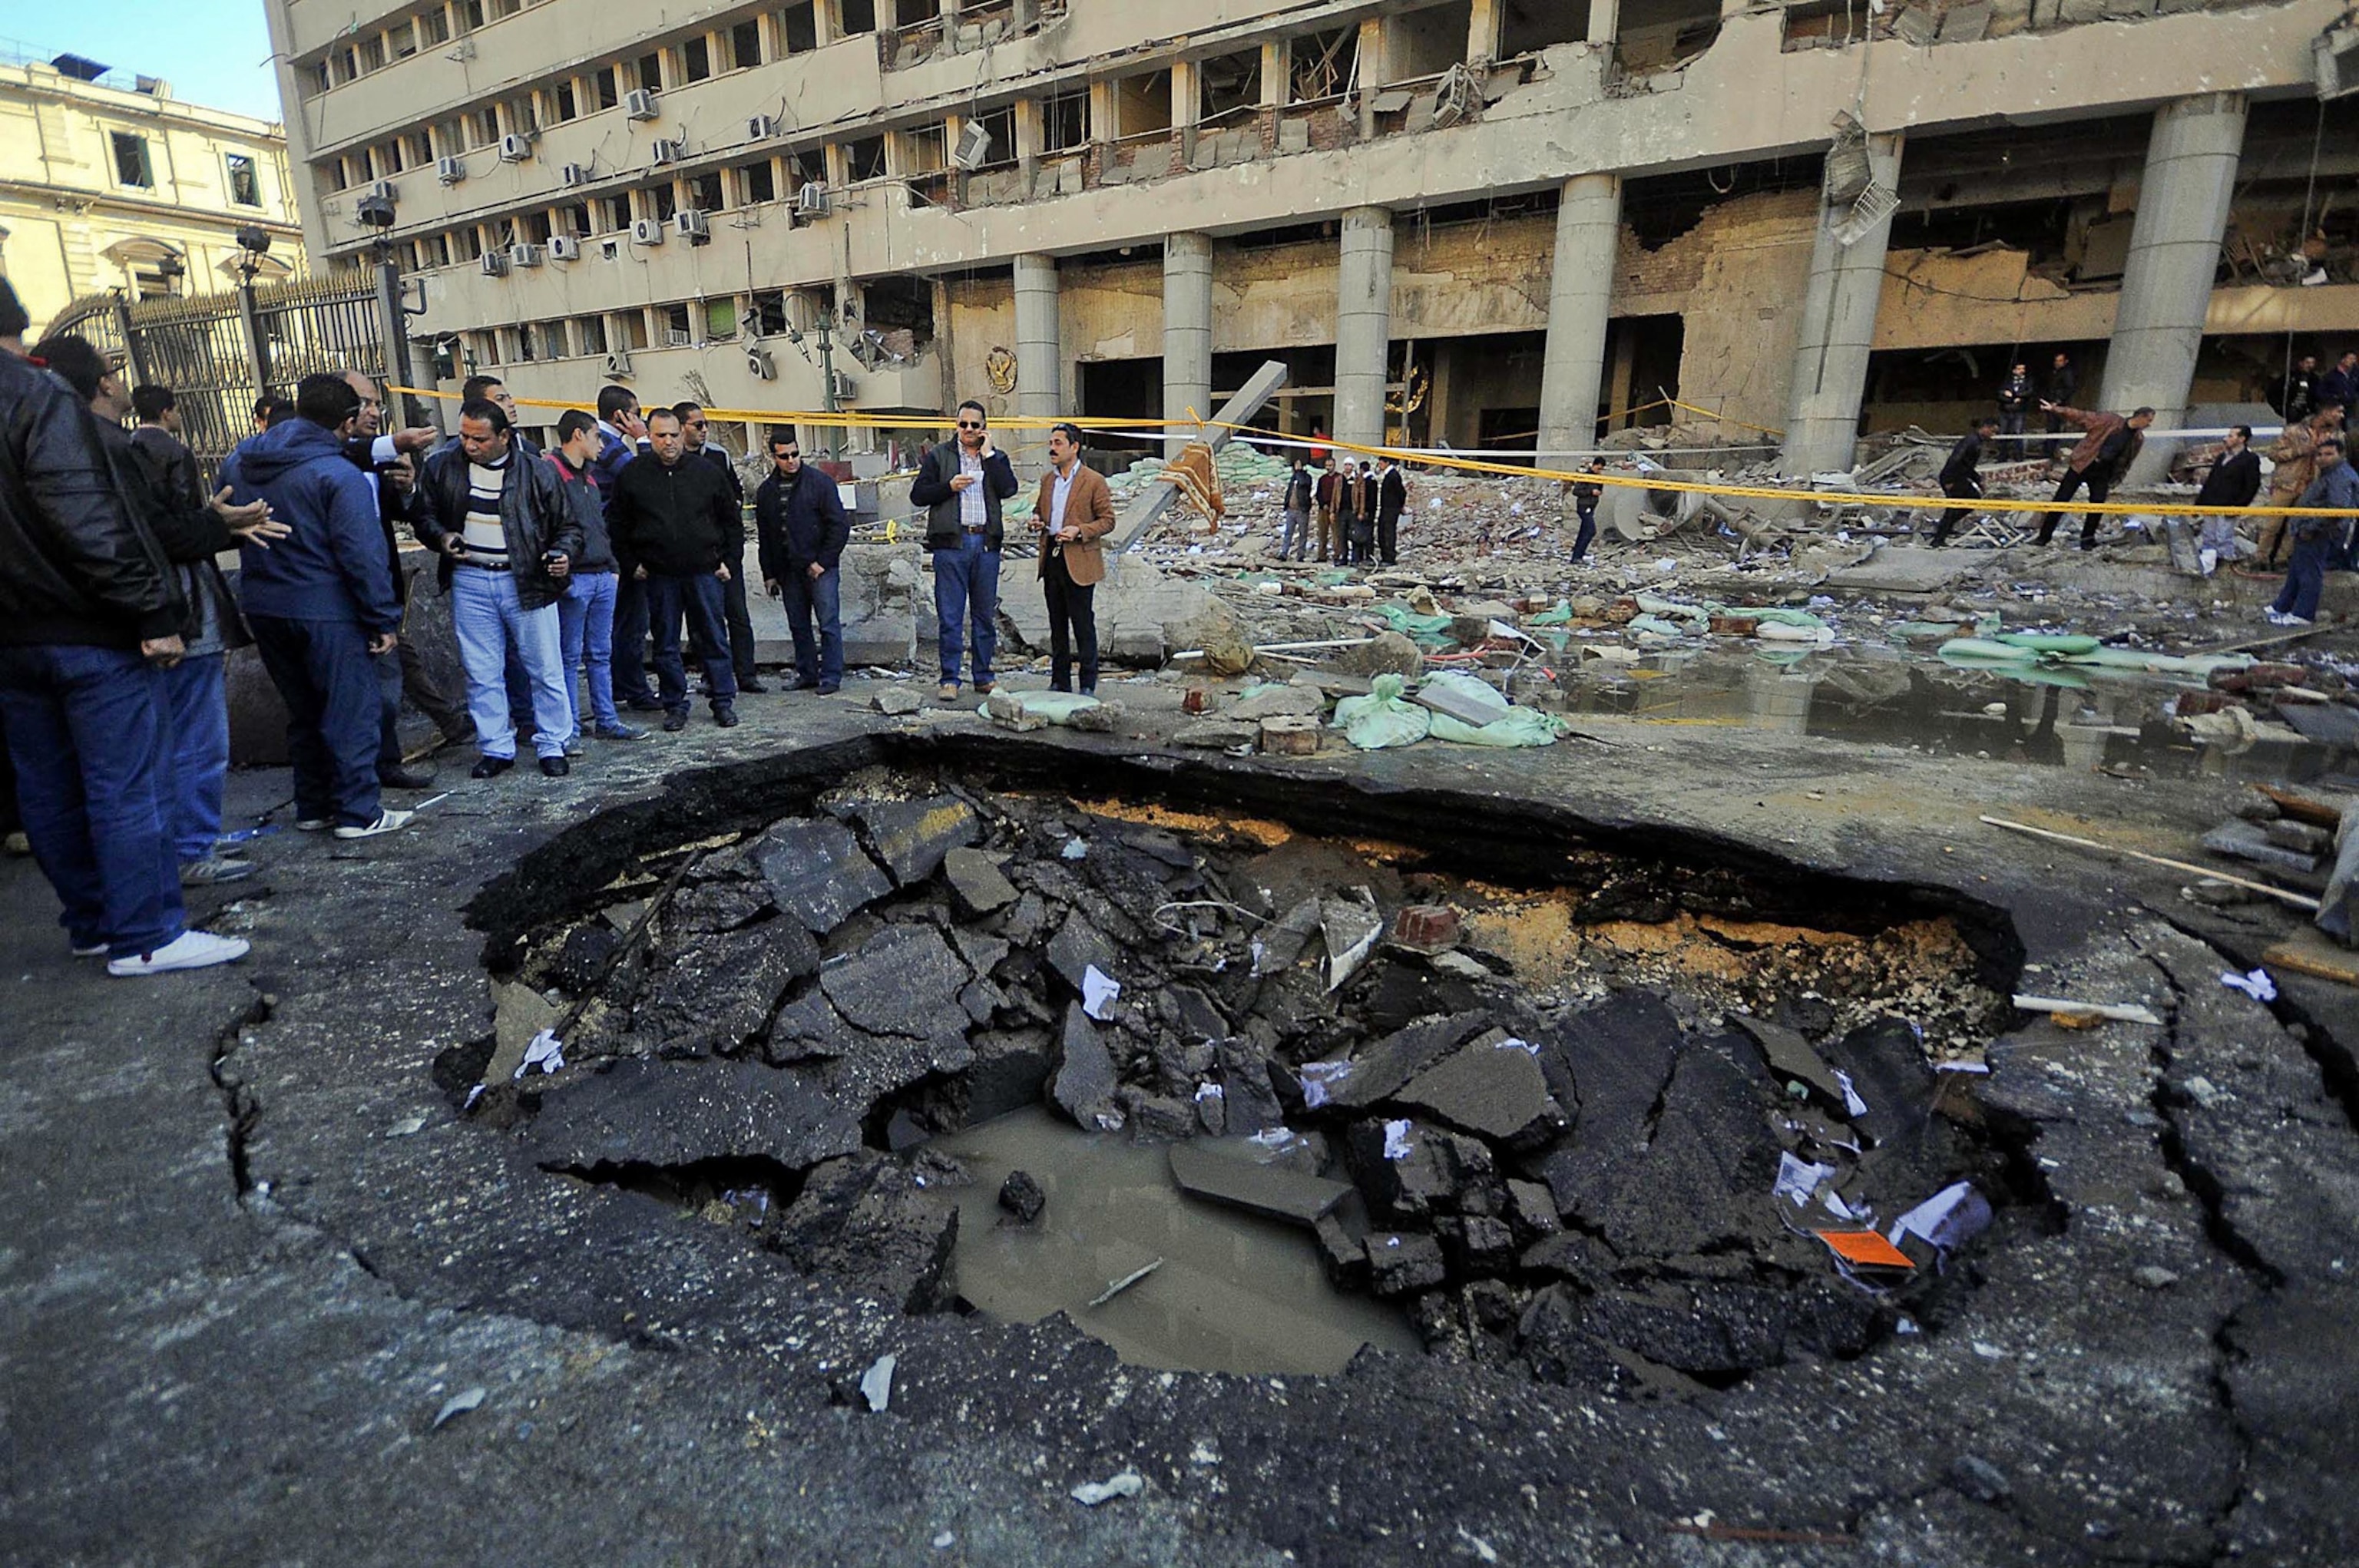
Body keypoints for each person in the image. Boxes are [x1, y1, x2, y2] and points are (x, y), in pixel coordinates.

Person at [0, 319, 251, 973]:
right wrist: (151, 613)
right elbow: (88, 516)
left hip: (12, 638)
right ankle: (146, 935)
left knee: (49, 789)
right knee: (127, 786)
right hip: (88, 631)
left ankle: (93, 924)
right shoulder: (39, 396)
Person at [39, 337, 283, 886]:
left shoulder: (73, 442)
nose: (122, 380)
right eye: (113, 373)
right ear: (103, 384)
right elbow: (152, 533)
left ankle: (178, 848)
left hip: (124, 617)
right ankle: (187, 852)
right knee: (194, 742)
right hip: (171, 612)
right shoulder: (109, 445)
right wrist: (219, 525)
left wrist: (211, 519)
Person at [217, 373, 411, 842]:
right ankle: (358, 811)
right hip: (326, 608)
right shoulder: (337, 474)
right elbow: (362, 554)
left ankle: (314, 805)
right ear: (346, 422)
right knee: (350, 711)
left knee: (303, 710)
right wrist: (382, 618)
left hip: (264, 603)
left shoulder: (242, 460)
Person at [412, 398, 582, 778]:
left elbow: (568, 527)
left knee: (545, 667)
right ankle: (495, 747)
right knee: (482, 669)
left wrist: (563, 553)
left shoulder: (537, 472)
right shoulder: (442, 466)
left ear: (504, 436)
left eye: (479, 439)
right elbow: (424, 515)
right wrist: (441, 537)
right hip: (470, 577)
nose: (469, 446)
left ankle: (553, 743)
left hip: (527, 578)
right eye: (464, 436)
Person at [338, 370, 468, 789]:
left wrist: (408, 489)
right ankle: (359, 781)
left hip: (380, 592)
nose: (375, 412)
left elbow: (401, 513)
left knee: (394, 671)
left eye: (378, 403)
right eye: (366, 403)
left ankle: (390, 762)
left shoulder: (376, 460)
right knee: (373, 687)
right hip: (341, 598)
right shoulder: (326, 457)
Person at [605, 407, 740, 730]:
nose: (669, 442)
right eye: (661, 435)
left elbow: (731, 522)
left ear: (683, 435)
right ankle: (674, 706)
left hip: (704, 571)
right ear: (648, 436)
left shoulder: (706, 472)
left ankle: (723, 701)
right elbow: (618, 525)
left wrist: (728, 562)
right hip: (659, 574)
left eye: (674, 435)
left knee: (713, 637)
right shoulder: (633, 475)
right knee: (665, 643)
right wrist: (631, 563)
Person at [909, 399, 1018, 703]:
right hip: (951, 545)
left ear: (984, 428)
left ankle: (983, 676)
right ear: (955, 426)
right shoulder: (939, 456)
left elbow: (1009, 489)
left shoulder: (995, 457)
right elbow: (918, 495)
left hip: (985, 544)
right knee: (951, 616)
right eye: (963, 424)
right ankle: (950, 678)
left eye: (975, 425)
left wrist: (990, 455)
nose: (969, 429)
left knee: (984, 615)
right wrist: (949, 487)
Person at [547, 409, 645, 741]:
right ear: (578, 435)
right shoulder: (551, 473)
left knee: (600, 654)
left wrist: (613, 568)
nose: (601, 444)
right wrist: (563, 574)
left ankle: (606, 720)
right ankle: (570, 728)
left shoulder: (588, 476)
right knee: (570, 657)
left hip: (603, 574)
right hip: (576, 577)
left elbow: (599, 527)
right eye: (596, 437)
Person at [754, 429, 850, 695]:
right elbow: (767, 536)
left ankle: (831, 677)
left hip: (820, 568)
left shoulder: (819, 483)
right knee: (798, 625)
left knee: (828, 623)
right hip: (788, 569)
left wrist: (822, 562)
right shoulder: (767, 492)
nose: (791, 460)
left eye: (795, 454)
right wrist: (769, 574)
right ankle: (807, 673)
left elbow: (839, 526)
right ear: (774, 457)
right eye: (784, 456)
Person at [675, 401, 761, 691]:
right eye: (697, 425)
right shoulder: (672, 460)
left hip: (724, 550)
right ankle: (712, 677)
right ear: (681, 427)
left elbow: (735, 496)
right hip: (693, 555)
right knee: (701, 620)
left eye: (705, 424)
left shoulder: (717, 456)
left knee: (737, 615)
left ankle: (746, 675)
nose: (704, 430)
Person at [1031, 422, 1116, 696]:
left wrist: (1080, 531)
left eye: (1058, 443)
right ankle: (1060, 680)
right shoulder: (1048, 480)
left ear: (1074, 447)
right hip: (1052, 555)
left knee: (1082, 623)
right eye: (1051, 443)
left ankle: (1088, 682)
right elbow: (1040, 510)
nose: (1052, 449)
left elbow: (1108, 521)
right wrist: (1036, 521)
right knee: (1057, 623)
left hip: (1079, 558)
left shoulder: (1093, 481)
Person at [591, 385, 662, 712]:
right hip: (619, 547)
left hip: (613, 545)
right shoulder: (609, 447)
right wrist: (644, 440)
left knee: (623, 622)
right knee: (632, 623)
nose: (640, 419)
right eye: (636, 412)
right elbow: (646, 480)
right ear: (620, 415)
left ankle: (622, 684)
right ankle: (633, 688)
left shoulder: (607, 444)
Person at [2033, 402, 2152, 549]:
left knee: (2097, 505)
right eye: (2149, 420)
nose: (2149, 424)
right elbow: (2081, 416)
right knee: (2061, 500)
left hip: (2103, 473)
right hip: (2082, 465)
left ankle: (2087, 540)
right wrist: (2055, 409)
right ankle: (2043, 537)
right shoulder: (2109, 421)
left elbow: (2127, 461)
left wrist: (2117, 479)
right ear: (2140, 417)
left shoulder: (2137, 439)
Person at [2268, 435, 2355, 626]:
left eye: (2329, 454)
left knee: (2309, 573)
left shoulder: (2339, 476)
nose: (2323, 458)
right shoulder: (2328, 474)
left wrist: (2312, 528)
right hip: (2308, 529)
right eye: (2320, 454)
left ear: (2340, 455)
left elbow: (2337, 510)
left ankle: (2303, 614)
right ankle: (2282, 606)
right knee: (2297, 570)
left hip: (2320, 532)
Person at [2259, 404, 2345, 570]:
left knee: (2295, 526)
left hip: (2311, 488)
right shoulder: (2295, 431)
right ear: (2325, 411)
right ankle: (2261, 557)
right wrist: (2303, 449)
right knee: (2272, 525)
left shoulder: (2336, 436)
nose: (2341, 416)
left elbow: (2339, 462)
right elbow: (2273, 454)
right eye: (2337, 411)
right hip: (2287, 484)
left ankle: (2282, 559)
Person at [2192, 425, 2261, 577]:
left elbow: (2252, 486)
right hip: (2212, 504)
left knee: (2223, 539)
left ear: (2242, 439)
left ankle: (2224, 571)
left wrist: (2238, 506)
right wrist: (2199, 504)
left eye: (2231, 436)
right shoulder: (2222, 457)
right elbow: (2211, 482)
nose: (2226, 439)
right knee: (2209, 538)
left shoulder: (2250, 459)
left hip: (2228, 505)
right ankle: (2208, 569)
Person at [1926, 417, 1997, 547]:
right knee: (1952, 508)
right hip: (1953, 478)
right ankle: (1939, 539)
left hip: (1961, 478)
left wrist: (1979, 481)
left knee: (1973, 499)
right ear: (1985, 428)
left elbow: (1968, 466)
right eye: (1992, 431)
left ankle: (1947, 527)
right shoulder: (1971, 441)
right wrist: (1949, 479)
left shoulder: (1977, 442)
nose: (1993, 435)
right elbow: (1955, 460)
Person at [1568, 458, 1604, 564]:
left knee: (1584, 531)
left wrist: (1599, 489)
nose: (1599, 471)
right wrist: (1591, 492)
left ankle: (1578, 555)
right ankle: (1577, 556)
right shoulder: (1586, 476)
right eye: (1598, 468)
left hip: (1591, 507)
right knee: (1590, 531)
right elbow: (1576, 491)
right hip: (1584, 507)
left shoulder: (1598, 478)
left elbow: (1600, 490)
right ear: (1594, 465)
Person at [1995, 362, 2033, 459]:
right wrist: (2011, 398)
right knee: (2003, 433)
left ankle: (2019, 456)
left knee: (2018, 433)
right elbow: (1999, 394)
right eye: (2019, 369)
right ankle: (2002, 456)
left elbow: (2029, 393)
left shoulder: (2028, 381)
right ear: (2014, 371)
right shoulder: (2007, 382)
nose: (2022, 371)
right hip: (2005, 410)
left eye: (2023, 369)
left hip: (2019, 411)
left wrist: (2016, 396)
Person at [1279, 455, 1313, 562]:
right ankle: (1284, 553)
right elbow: (1289, 491)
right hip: (1291, 510)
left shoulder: (1306, 477)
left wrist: (1299, 472)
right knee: (1288, 532)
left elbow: (1304, 484)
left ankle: (1301, 555)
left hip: (1302, 510)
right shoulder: (1293, 477)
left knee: (1303, 533)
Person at [1375, 456, 1408, 566]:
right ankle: (1385, 556)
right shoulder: (1389, 475)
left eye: (1381, 463)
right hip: (1387, 508)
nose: (1380, 466)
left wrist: (1399, 506)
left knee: (1388, 532)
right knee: (1383, 531)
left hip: (1391, 509)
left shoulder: (1393, 476)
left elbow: (1401, 492)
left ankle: (1389, 557)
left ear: (1387, 463)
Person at [2040, 352, 2078, 438]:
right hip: (2050, 401)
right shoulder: (2053, 372)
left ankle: (2050, 449)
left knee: (2054, 427)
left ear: (2066, 362)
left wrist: (2058, 401)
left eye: (2060, 361)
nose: (2057, 363)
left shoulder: (2067, 373)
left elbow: (2070, 388)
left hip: (2059, 404)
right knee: (2051, 426)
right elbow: (2048, 387)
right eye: (2056, 360)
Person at [2274, 354, 2318, 425]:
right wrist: (2280, 408)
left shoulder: (2315, 379)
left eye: (2312, 363)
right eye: (2307, 363)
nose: (2310, 366)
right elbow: (2274, 391)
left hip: (2309, 413)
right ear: (2301, 363)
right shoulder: (2289, 377)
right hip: (2293, 412)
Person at [1313, 456, 1342, 563]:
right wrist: (1323, 504)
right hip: (1323, 509)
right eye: (1327, 466)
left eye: (1330, 465)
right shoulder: (1322, 479)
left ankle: (1337, 555)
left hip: (1335, 510)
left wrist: (1334, 507)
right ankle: (1322, 555)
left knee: (1336, 534)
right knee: (1322, 533)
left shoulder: (1339, 478)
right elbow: (1319, 493)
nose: (1328, 468)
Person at [2319, 350, 2359, 417]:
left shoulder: (2356, 374)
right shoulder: (2331, 375)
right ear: (2343, 360)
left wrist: (2354, 396)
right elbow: (2321, 391)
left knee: (2350, 425)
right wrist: (2333, 397)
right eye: (2350, 359)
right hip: (2335, 407)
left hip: (2350, 407)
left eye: (2354, 359)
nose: (2353, 361)